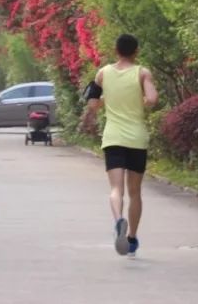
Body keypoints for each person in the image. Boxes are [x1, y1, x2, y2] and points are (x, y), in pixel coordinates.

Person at [79, 33, 159, 257]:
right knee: (135, 192)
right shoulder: (142, 72)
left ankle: (118, 221)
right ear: (136, 51)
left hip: (113, 138)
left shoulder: (103, 73)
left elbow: (93, 104)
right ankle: (132, 238)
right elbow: (152, 99)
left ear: (116, 50)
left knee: (116, 189)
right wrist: (142, 100)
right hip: (136, 138)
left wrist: (108, 100)